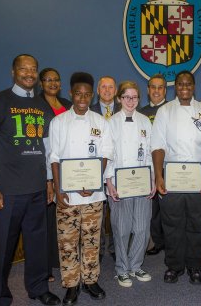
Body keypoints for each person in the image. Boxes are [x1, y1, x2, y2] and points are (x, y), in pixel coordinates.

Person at [0, 54, 60, 305]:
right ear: (13, 72)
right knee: (3, 247)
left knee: (37, 245)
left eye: (33, 69)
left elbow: (48, 148)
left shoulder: (42, 106)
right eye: (23, 69)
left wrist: (48, 181)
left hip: (37, 189)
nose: (29, 73)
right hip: (7, 191)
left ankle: (37, 288)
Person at [49, 72, 114, 305]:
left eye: (87, 94)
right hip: (66, 194)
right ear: (71, 94)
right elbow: (54, 157)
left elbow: (106, 153)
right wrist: (57, 189)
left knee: (92, 240)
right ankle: (71, 284)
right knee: (67, 242)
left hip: (93, 194)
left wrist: (95, 179)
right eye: (78, 93)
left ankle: (89, 280)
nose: (83, 98)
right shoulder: (58, 122)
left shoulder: (100, 122)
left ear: (92, 94)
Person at [151, 70, 201, 285]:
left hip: (199, 180)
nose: (184, 87)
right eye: (180, 84)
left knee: (197, 224)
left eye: (188, 84)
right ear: (175, 87)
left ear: (194, 86)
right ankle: (174, 266)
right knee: (172, 224)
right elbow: (158, 146)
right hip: (172, 179)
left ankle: (194, 266)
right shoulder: (165, 111)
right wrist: (159, 176)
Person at [105, 81, 155, 287]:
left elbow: (151, 153)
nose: (131, 101)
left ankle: (136, 265)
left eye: (135, 97)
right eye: (127, 97)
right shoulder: (110, 123)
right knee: (122, 229)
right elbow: (106, 155)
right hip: (119, 183)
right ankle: (122, 269)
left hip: (142, 182)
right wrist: (108, 182)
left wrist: (153, 179)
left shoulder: (145, 122)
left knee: (142, 228)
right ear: (119, 99)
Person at [37, 67, 72, 283]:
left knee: (66, 216)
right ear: (41, 83)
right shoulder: (35, 105)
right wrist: (49, 178)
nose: (52, 83)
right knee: (47, 219)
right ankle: (47, 265)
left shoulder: (68, 106)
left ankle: (63, 259)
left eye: (56, 80)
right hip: (45, 168)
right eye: (48, 80)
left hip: (68, 169)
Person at [90, 75, 119, 261]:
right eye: (103, 87)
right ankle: (98, 249)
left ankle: (116, 248)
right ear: (98, 91)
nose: (107, 90)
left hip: (118, 171)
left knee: (117, 214)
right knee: (97, 213)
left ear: (116, 91)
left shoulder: (127, 109)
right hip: (96, 170)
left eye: (111, 87)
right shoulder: (88, 111)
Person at [139, 74, 168, 256]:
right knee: (153, 207)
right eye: (153, 87)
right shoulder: (140, 113)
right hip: (147, 167)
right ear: (148, 90)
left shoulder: (172, 109)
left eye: (160, 87)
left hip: (169, 166)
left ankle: (170, 240)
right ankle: (156, 241)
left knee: (169, 206)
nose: (156, 91)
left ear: (165, 90)